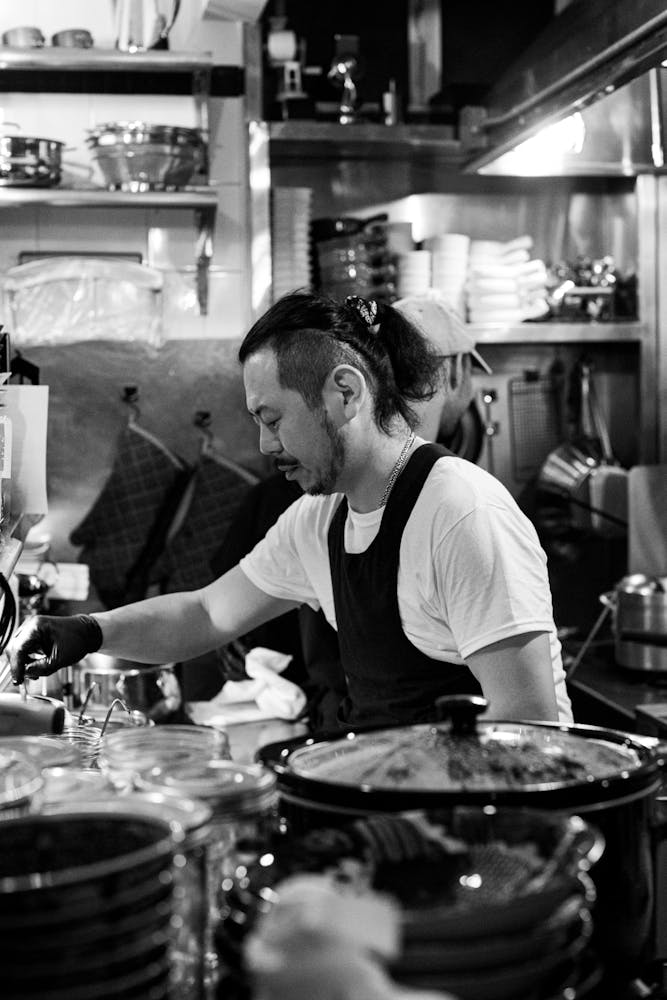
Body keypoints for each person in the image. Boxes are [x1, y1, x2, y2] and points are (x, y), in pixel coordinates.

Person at [9, 290, 572, 727]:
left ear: (346, 393)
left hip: (484, 840)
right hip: (390, 809)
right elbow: (208, 613)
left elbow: (527, 722)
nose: (263, 445)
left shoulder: (458, 513)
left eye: (272, 419)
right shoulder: (322, 518)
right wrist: (86, 631)